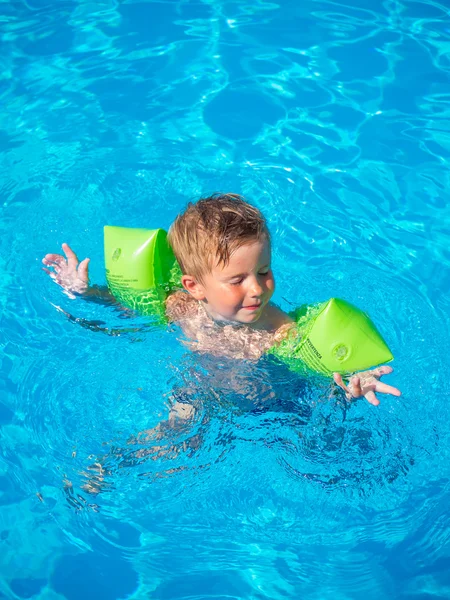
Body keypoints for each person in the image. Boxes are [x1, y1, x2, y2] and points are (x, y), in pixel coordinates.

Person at [42, 193, 401, 406]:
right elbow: (127, 309)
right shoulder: (181, 306)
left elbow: (320, 371)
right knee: (170, 435)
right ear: (195, 286)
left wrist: (352, 386)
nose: (258, 289)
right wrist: (85, 292)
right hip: (199, 390)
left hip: (269, 406)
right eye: (237, 280)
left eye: (263, 271)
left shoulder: (277, 329)